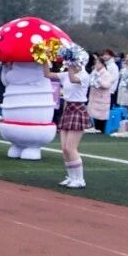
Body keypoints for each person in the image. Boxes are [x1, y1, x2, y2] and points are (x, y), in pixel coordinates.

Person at [46, 53, 90, 187]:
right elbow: (47, 74)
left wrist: (70, 64)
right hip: (68, 108)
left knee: (71, 148)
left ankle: (80, 179)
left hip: (78, 109)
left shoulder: (84, 75)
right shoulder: (66, 74)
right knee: (64, 148)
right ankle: (71, 177)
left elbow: (73, 79)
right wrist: (43, 59)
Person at [87, 54, 113, 134]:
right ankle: (94, 128)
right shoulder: (94, 72)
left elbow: (107, 85)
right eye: (96, 63)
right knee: (93, 114)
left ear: (102, 64)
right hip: (94, 97)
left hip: (102, 98)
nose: (96, 65)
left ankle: (101, 131)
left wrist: (99, 80)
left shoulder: (106, 74)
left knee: (101, 117)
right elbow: (90, 81)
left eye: (98, 63)